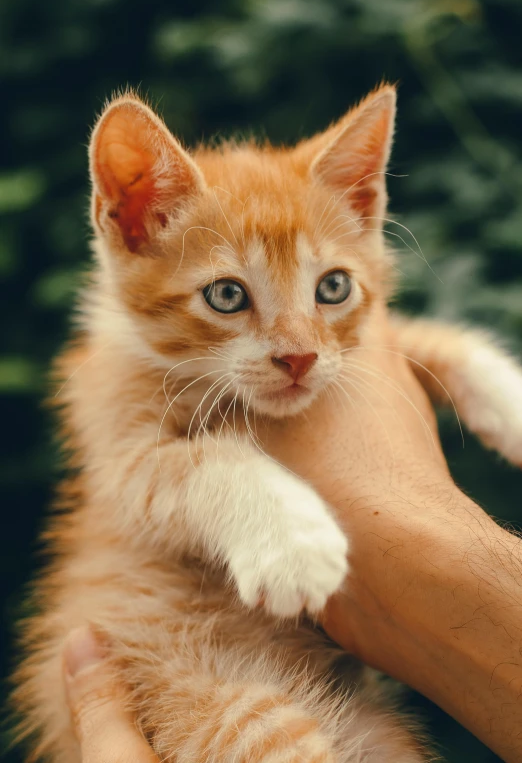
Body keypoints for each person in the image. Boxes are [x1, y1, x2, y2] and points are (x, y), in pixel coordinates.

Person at [63, 314, 522, 763]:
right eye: (228, 295)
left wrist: (465, 366)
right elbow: (131, 469)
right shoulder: (118, 358)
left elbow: (378, 341)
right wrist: (242, 496)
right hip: (183, 656)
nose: (298, 347)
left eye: (329, 289)